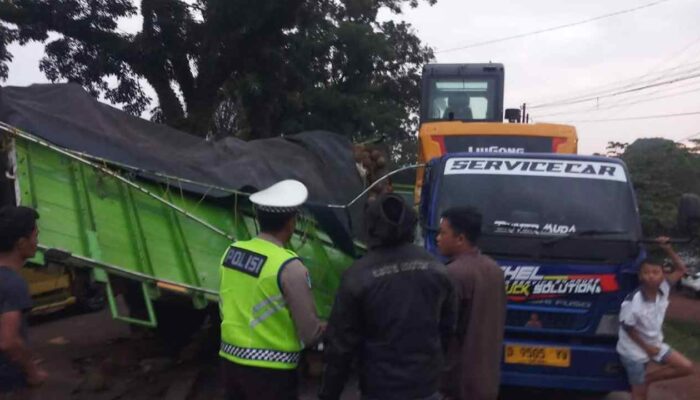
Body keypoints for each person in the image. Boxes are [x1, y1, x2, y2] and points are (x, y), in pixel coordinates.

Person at [319, 193, 456, 400]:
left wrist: (329, 394)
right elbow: (447, 329)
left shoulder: (357, 276)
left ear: (370, 228)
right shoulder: (438, 270)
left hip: (379, 388)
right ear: (411, 224)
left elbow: (340, 348)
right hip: (425, 386)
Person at [218, 180, 325, 400]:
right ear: (291, 223)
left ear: (259, 219)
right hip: (272, 372)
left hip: (230, 362)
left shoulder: (232, 252)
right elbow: (310, 333)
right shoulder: (289, 267)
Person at [437, 207, 506, 400]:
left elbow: (443, 330)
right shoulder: (494, 270)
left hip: (457, 383)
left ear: (460, 238)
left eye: (443, 233)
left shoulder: (453, 274)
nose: (438, 238)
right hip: (487, 381)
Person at [617, 236, 694, 400]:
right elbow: (627, 327)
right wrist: (646, 348)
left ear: (662, 275)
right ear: (640, 276)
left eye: (655, 272)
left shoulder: (664, 289)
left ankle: (645, 380)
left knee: (686, 367)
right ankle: (639, 384)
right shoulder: (633, 301)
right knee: (640, 395)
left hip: (655, 344)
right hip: (633, 351)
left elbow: (681, 269)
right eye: (646, 272)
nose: (651, 276)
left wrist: (667, 248)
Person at [0, 206, 48, 394]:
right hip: (8, 384)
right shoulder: (13, 284)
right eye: (35, 236)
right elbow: (8, 341)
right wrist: (32, 370)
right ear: (21, 243)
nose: (37, 242)